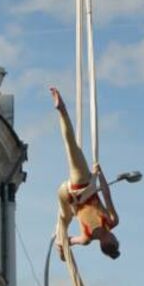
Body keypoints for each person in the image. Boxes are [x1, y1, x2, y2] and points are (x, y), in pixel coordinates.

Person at [50, 87, 119, 260]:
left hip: (80, 185)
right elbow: (70, 239)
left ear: (109, 242)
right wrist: (64, 245)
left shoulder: (110, 222)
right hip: (67, 194)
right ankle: (60, 247)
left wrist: (99, 174)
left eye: (115, 240)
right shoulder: (87, 238)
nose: (115, 236)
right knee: (64, 220)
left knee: (71, 146)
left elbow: (107, 194)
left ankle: (62, 110)